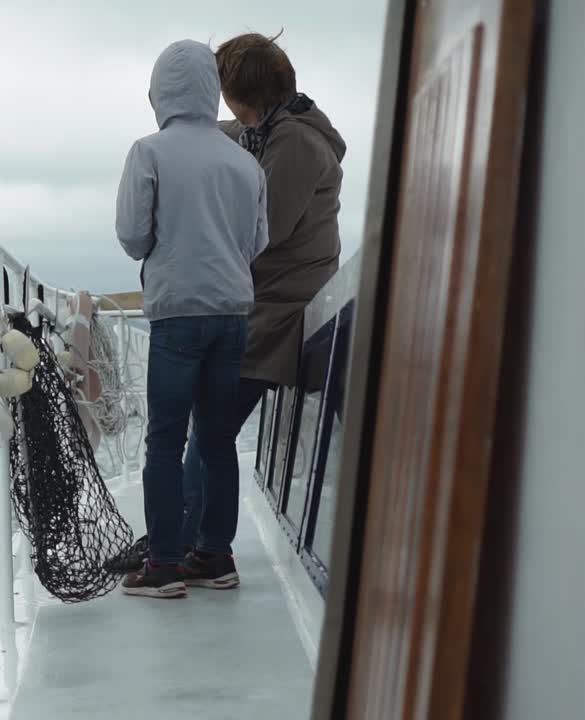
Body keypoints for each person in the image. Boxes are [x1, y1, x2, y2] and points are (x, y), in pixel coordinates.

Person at [180, 32, 346, 559]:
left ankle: (194, 546)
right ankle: (190, 539)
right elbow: (222, 135)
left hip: (280, 307)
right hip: (260, 299)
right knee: (208, 424)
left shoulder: (294, 142)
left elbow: (262, 230)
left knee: (211, 425)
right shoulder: (267, 130)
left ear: (243, 94)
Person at [115, 39, 269, 598]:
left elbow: (133, 238)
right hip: (232, 313)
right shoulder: (245, 161)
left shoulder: (149, 152)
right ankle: (215, 555)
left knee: (164, 441)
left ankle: (163, 564)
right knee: (216, 440)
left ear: (161, 92)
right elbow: (258, 241)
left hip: (177, 314)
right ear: (209, 90)